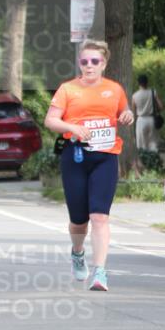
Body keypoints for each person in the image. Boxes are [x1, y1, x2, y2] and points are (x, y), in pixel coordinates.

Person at [44, 39, 134, 292]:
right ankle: (77, 251)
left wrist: (127, 115)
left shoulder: (114, 89)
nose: (89, 65)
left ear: (104, 64)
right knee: (79, 220)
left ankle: (100, 272)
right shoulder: (68, 89)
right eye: (84, 61)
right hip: (75, 157)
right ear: (79, 63)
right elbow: (51, 120)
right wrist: (72, 127)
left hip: (105, 156)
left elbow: (124, 111)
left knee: (100, 216)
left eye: (95, 61)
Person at [132, 74, 164, 153]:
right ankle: (154, 158)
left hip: (141, 120)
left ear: (138, 83)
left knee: (141, 145)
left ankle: (144, 158)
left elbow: (133, 112)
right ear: (147, 82)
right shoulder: (153, 92)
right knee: (153, 143)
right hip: (152, 119)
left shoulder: (135, 96)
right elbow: (161, 106)